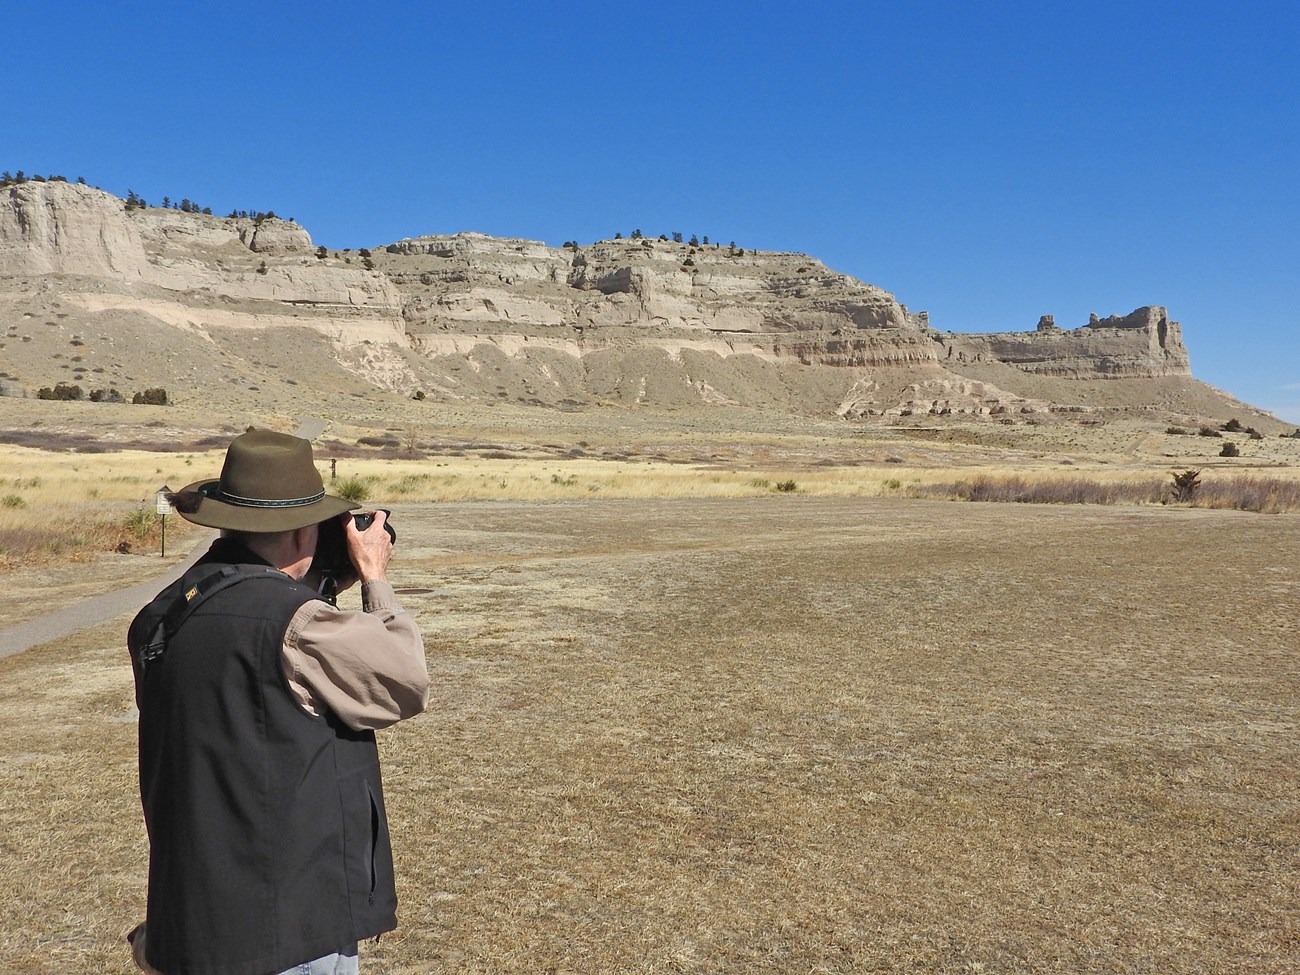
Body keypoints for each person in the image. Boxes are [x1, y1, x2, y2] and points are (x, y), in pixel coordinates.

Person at [126, 429, 428, 975]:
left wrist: (313, 581)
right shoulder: (298, 623)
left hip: (193, 914)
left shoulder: (163, 613)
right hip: (289, 926)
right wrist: (374, 579)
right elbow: (402, 683)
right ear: (299, 533)